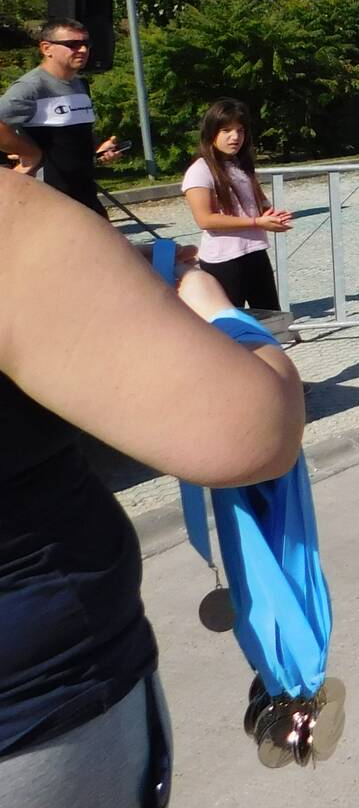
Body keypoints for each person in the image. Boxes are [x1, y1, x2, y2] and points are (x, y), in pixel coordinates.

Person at [0, 171, 305, 805]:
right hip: (38, 719)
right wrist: (210, 306)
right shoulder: (12, 217)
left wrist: (95, 272)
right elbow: (251, 430)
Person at [0, 18, 124, 215]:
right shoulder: (31, 87)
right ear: (46, 48)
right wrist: (31, 154)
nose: (83, 50)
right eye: (72, 44)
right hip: (49, 197)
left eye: (86, 43)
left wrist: (99, 148)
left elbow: (72, 134)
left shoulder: (80, 84)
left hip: (84, 191)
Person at [182, 99, 293, 311]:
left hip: (255, 251)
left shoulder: (240, 164)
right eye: (226, 131)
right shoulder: (200, 171)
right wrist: (257, 222)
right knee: (231, 322)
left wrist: (272, 215)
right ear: (211, 132)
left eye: (240, 130)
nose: (235, 137)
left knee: (270, 316)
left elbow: (259, 202)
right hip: (224, 260)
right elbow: (205, 219)